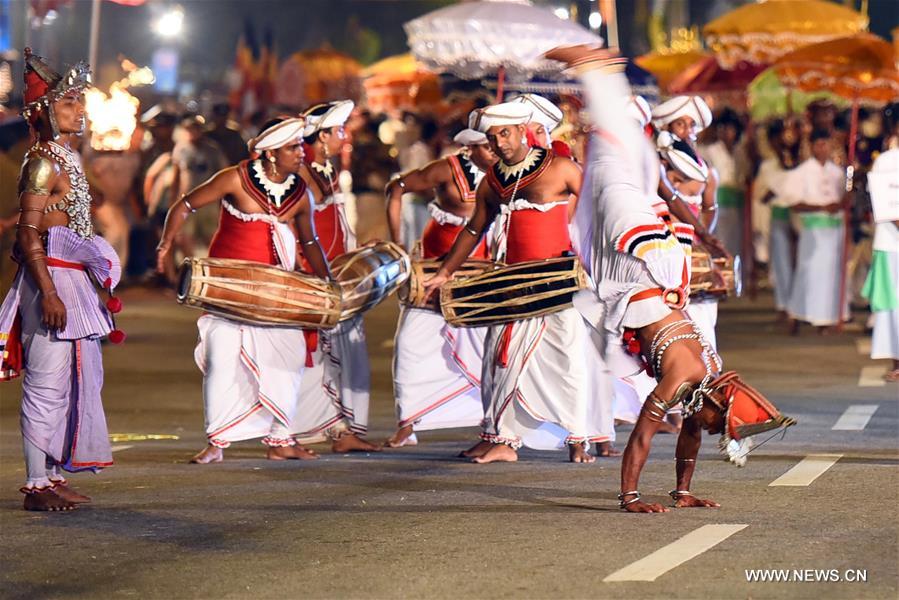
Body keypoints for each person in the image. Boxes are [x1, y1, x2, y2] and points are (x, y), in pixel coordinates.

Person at [547, 45, 794, 513]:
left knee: (624, 168)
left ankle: (596, 86)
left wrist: (683, 492)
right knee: (617, 169)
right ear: (717, 403)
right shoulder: (688, 377)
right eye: (715, 424)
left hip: (648, 272)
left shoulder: (708, 384)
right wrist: (630, 498)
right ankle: (596, 76)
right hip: (636, 269)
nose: (705, 430)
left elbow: (689, 436)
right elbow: (642, 436)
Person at [421, 101, 605, 464]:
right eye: (493, 137)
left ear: (523, 130)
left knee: (565, 362)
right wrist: (445, 271)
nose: (499, 143)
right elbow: (475, 228)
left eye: (505, 134)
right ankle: (502, 437)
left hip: (555, 285)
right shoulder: (493, 180)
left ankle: (577, 438)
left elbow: (597, 214)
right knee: (498, 360)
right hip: (510, 285)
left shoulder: (561, 169)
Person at [155, 117, 332, 463]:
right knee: (223, 359)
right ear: (270, 153)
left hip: (275, 288)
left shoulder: (301, 191)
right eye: (293, 148)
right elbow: (185, 205)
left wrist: (327, 283)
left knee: (289, 357)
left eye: (300, 146)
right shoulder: (235, 178)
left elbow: (309, 240)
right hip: (231, 290)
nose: (301, 153)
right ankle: (217, 442)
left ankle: (280, 440)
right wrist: (165, 244)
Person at [0, 49, 119, 511]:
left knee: (71, 383)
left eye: (79, 101)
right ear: (42, 112)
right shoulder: (42, 162)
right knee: (46, 385)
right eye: (68, 102)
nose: (79, 110)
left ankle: (51, 476)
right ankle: (34, 484)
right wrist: (48, 291)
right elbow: (28, 233)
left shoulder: (67, 158)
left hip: (72, 282)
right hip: (48, 281)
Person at [384, 126, 497, 448]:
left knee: (488, 352)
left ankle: (493, 424)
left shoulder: (507, 174)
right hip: (434, 270)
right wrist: (398, 246)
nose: (493, 152)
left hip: (480, 274)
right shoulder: (446, 169)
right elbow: (396, 188)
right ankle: (408, 422)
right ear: (469, 148)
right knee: (411, 345)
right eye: (486, 147)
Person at [288, 100, 380, 453]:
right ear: (322, 137)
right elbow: (297, 227)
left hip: (339, 273)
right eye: (339, 131)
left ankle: (343, 430)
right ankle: (311, 429)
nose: (345, 137)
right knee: (316, 358)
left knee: (346, 355)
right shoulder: (305, 175)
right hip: (317, 277)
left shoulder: (325, 171)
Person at [781, 129, 848, 333]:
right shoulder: (802, 171)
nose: (823, 148)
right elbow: (793, 203)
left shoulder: (838, 173)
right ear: (811, 147)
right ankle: (797, 314)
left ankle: (827, 318)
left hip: (834, 230)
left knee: (831, 274)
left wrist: (842, 202)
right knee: (808, 271)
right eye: (818, 144)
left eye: (826, 144)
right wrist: (821, 207)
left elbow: (844, 201)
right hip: (813, 231)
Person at [862, 144, 899, 381]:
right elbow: (881, 200)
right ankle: (897, 360)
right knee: (894, 304)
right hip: (891, 243)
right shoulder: (886, 160)